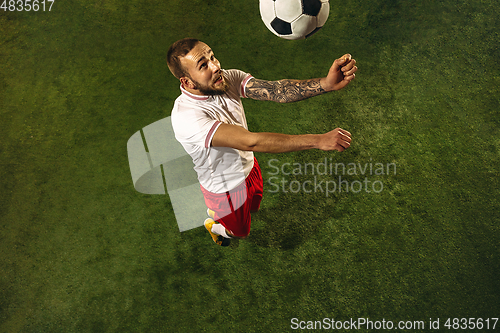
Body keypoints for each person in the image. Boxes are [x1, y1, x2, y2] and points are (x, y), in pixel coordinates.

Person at [167, 38, 357, 247]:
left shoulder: (226, 78)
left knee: (254, 207)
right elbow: (251, 142)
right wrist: (318, 140)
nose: (216, 66)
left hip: (250, 167)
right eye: (203, 65)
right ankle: (216, 225)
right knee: (240, 232)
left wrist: (326, 84)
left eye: (212, 57)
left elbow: (276, 90)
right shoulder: (187, 117)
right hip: (225, 190)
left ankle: (230, 216)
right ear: (187, 82)